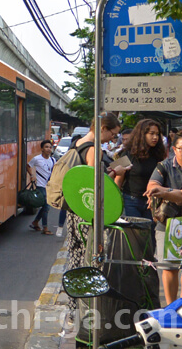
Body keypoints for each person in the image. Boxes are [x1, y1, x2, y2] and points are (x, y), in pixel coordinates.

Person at [65, 112, 131, 313]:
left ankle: (74, 304)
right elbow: (94, 183)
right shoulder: (94, 149)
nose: (114, 138)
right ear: (102, 128)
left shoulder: (77, 143)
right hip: (87, 213)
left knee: (76, 255)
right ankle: (90, 304)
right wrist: (116, 173)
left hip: (74, 209)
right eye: (113, 134)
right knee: (94, 255)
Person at [145, 130, 182, 304]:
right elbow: (152, 186)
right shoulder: (165, 165)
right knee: (170, 268)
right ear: (174, 149)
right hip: (169, 222)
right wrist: (173, 194)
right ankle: (171, 307)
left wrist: (167, 193)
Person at [115, 119, 166, 220]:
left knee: (150, 233)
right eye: (151, 134)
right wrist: (114, 200)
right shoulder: (127, 153)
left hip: (151, 202)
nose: (155, 137)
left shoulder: (159, 154)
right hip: (130, 200)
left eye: (157, 134)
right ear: (142, 134)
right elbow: (117, 178)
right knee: (134, 233)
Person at [27, 140, 55, 235]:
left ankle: (35, 222)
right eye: (46, 147)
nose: (48, 149)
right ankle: (45, 228)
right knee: (46, 206)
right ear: (42, 149)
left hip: (49, 187)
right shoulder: (37, 159)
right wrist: (32, 175)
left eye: (50, 147)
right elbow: (28, 166)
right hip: (40, 186)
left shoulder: (53, 160)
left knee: (44, 206)